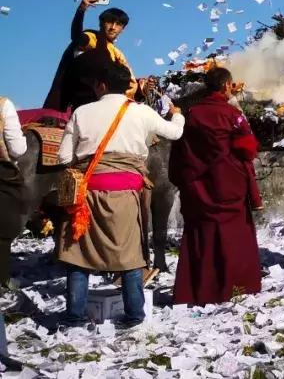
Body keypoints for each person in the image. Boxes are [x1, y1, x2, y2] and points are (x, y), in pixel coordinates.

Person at [56, 62, 184, 328]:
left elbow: (64, 157)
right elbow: (175, 132)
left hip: (86, 195)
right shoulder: (141, 112)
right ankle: (135, 314)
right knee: (129, 253)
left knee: (78, 255)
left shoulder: (82, 112)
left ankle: (74, 317)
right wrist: (178, 114)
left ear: (100, 85)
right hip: (126, 193)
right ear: (128, 85)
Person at [170, 68, 262, 306]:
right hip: (228, 184)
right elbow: (248, 149)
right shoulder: (233, 115)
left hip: (197, 186)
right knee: (234, 236)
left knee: (199, 235)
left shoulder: (190, 114)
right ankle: (235, 286)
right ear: (226, 87)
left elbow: (179, 150)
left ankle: (196, 290)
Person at [44, 0, 136, 113]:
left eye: (118, 24)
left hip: (107, 106)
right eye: (109, 22)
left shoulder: (118, 54)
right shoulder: (92, 38)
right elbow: (77, 36)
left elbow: (126, 82)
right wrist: (81, 9)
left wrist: (142, 85)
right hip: (82, 105)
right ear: (101, 23)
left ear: (122, 29)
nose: (113, 27)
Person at [0, 96, 27, 292]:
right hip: (3, 174)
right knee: (3, 230)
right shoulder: (3, 105)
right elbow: (18, 149)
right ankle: (3, 279)